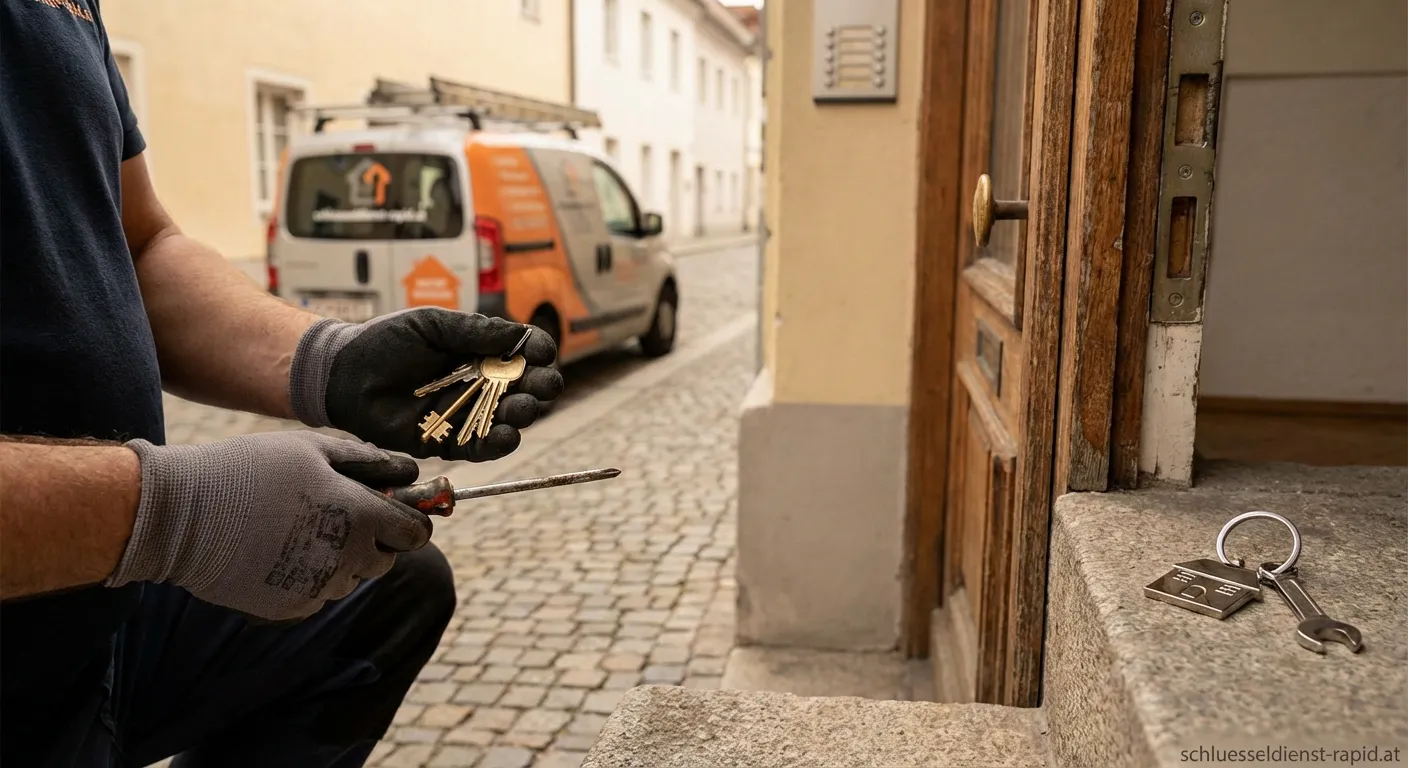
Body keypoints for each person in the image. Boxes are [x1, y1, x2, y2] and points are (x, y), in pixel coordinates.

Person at [0, 1, 564, 765]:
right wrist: (172, 513)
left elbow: (140, 240)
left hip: (95, 623)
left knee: (391, 593)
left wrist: (325, 359)